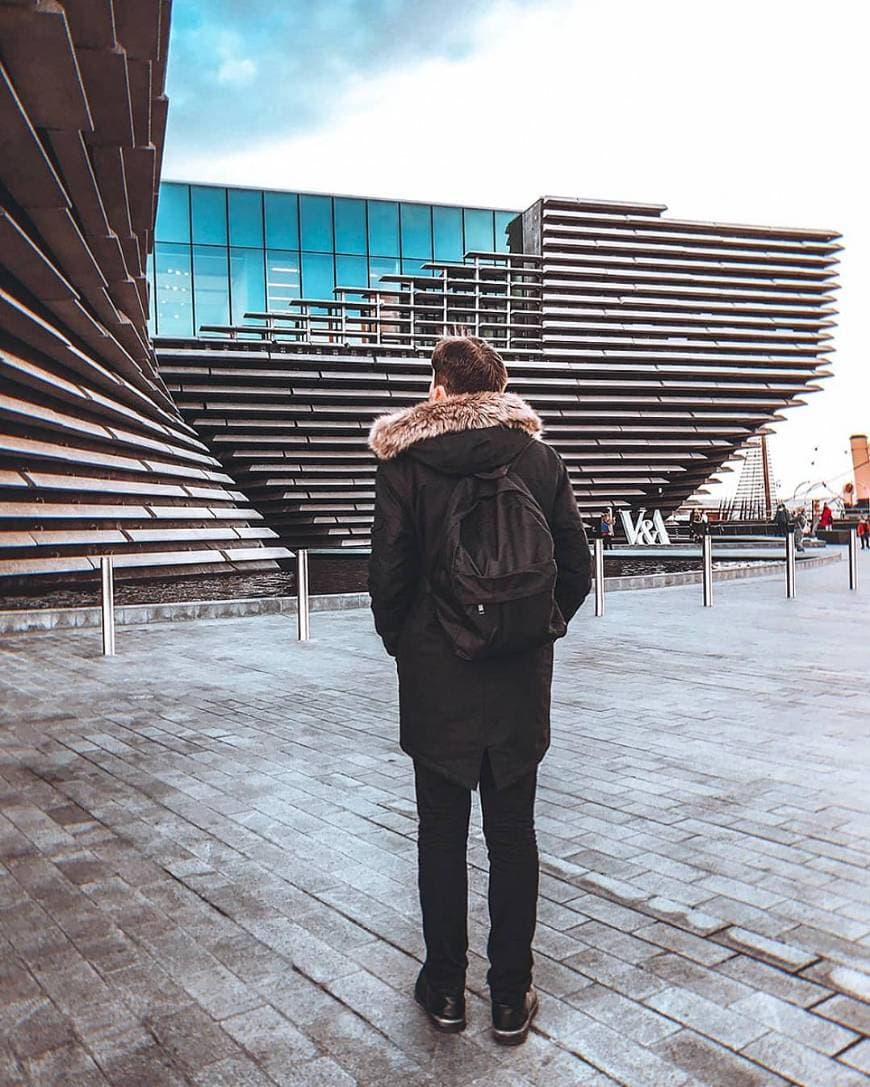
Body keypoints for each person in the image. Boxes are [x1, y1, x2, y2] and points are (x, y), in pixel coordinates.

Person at [368, 335, 591, 1046]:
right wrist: (531, 631)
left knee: (440, 836)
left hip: (438, 678)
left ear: (439, 390)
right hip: (519, 681)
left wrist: (409, 644)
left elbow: (388, 580)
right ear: (499, 390)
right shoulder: (540, 458)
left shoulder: (406, 465)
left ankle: (444, 990)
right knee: (513, 835)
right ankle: (506, 995)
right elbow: (575, 568)